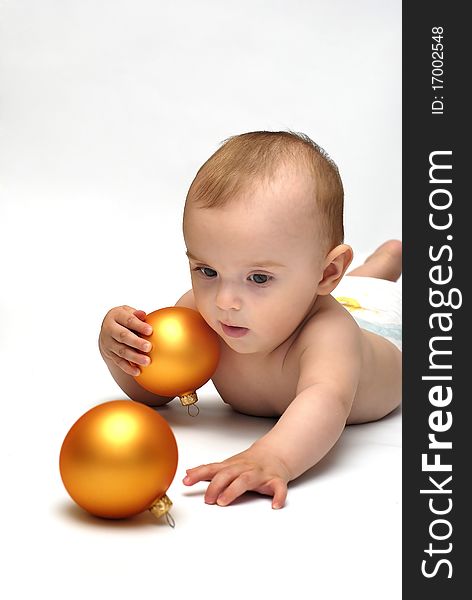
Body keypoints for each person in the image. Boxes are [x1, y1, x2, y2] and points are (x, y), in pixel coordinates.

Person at [99, 131, 402, 509]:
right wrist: (124, 355)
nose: (225, 302)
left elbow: (326, 401)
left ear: (326, 273)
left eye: (258, 278)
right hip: (330, 292)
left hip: (382, 328)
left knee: (369, 296)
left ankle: (381, 269)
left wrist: (274, 456)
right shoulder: (198, 316)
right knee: (357, 290)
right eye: (207, 270)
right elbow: (156, 393)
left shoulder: (328, 334)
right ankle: (377, 267)